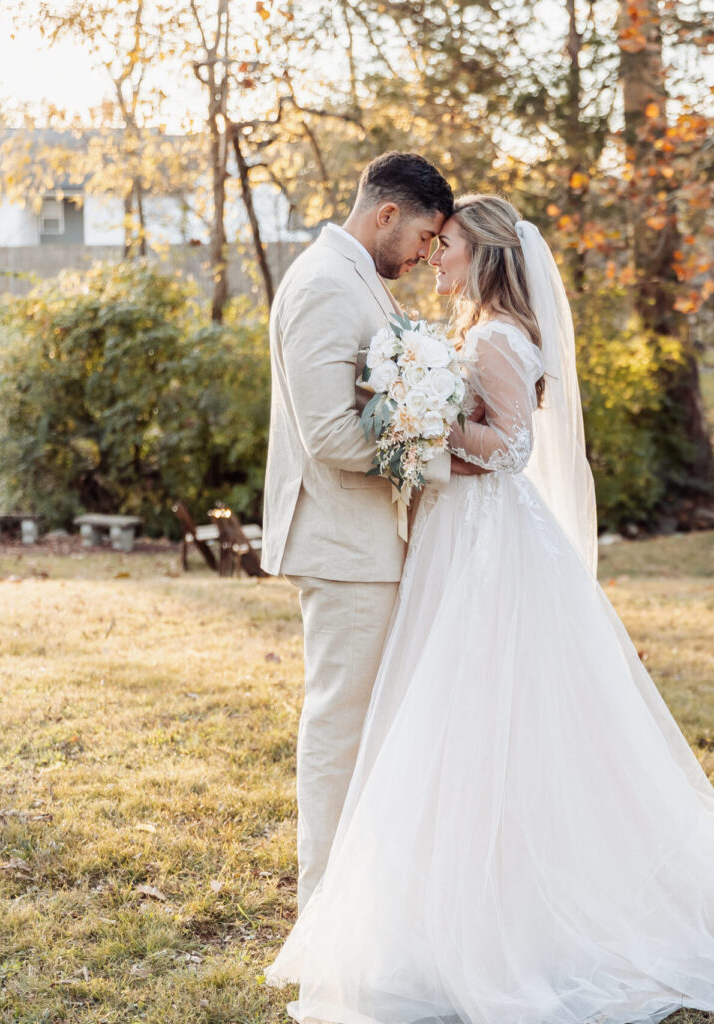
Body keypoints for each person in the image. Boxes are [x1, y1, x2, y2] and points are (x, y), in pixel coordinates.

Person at [265, 194, 714, 1024]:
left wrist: (433, 428)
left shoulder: (496, 336)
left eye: (448, 243)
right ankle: (412, 902)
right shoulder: (444, 319)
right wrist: (428, 420)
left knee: (472, 716)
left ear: (486, 253)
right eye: (432, 240)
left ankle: (464, 912)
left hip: (483, 541)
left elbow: (512, 450)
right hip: (449, 537)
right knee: (437, 721)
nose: (436, 257)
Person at [260, 151, 454, 912]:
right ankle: (324, 913)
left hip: (370, 542)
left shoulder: (359, 279)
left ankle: (361, 906)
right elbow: (332, 437)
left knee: (368, 725)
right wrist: (438, 450)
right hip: (343, 548)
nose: (427, 255)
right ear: (386, 216)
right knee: (340, 729)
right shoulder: (322, 286)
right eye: (425, 239)